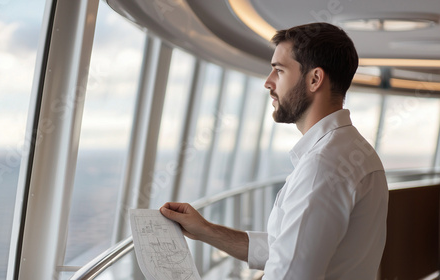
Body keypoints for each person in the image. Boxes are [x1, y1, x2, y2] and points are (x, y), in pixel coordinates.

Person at [160, 22, 388, 279]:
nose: (268, 83)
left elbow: (292, 272)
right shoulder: (351, 150)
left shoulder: (323, 165)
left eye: (279, 71)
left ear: (314, 79)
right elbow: (287, 250)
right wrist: (206, 230)